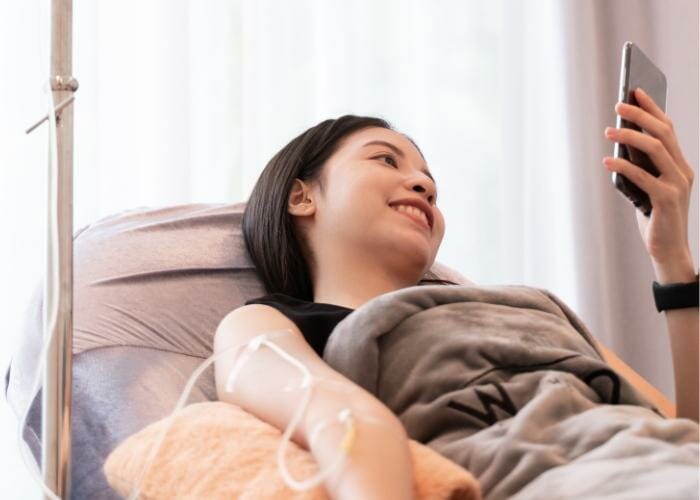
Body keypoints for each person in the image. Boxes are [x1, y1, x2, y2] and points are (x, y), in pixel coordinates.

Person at [214, 89, 698, 499]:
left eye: (432, 185)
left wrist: (673, 257)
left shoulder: (527, 309)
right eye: (385, 159)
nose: (424, 185)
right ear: (302, 196)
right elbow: (345, 422)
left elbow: (685, 429)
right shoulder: (270, 324)